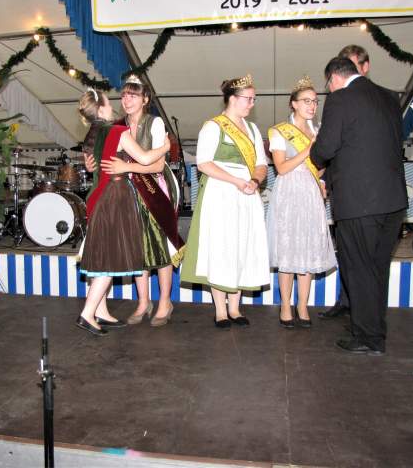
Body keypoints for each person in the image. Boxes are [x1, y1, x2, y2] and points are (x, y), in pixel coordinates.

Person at [310, 58, 407, 355]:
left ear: (334, 79)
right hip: (393, 200)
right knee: (378, 268)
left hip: (359, 201)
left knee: (359, 268)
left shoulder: (340, 99)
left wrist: (315, 153)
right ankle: (376, 329)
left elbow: (326, 148)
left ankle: (368, 337)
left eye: (328, 84)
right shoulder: (390, 97)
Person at [76, 89, 171, 336]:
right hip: (116, 196)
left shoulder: (91, 134)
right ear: (101, 109)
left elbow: (91, 165)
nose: (114, 106)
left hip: (98, 196)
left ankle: (101, 311)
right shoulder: (117, 131)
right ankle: (87, 313)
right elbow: (146, 158)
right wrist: (165, 147)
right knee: (110, 258)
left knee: (101, 254)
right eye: (108, 104)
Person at [92, 75, 184, 327]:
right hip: (127, 192)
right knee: (138, 246)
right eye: (124, 95)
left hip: (155, 189)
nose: (127, 100)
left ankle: (164, 301)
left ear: (145, 99)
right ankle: (143, 302)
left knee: (162, 246)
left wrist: (127, 167)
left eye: (133, 95)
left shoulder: (155, 123)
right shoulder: (117, 125)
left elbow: (157, 165)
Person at [181, 74, 270, 328]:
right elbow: (204, 164)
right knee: (221, 247)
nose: (252, 103)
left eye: (253, 99)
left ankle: (235, 308)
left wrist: (254, 180)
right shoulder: (213, 126)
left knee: (241, 245)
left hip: (247, 193)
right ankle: (220, 310)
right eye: (248, 98)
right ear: (232, 99)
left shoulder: (252, 130)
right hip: (221, 192)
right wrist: (236, 181)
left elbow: (262, 163)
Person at [267, 76, 336, 328]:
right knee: (288, 250)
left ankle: (303, 305)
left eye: (315, 101)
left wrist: (321, 178)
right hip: (288, 191)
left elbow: (319, 168)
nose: (312, 106)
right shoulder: (279, 131)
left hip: (310, 191)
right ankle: (286, 305)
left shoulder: (318, 132)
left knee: (306, 248)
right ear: (293, 104)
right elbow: (281, 167)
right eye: (306, 101)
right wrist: (309, 150)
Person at [319, 45, 371, 320]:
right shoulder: (343, 100)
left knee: (364, 259)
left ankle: (362, 315)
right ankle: (347, 299)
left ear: (364, 67)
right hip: (346, 192)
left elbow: (328, 148)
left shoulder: (373, 99)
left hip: (366, 193)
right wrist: (325, 178)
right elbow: (338, 151)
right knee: (347, 252)